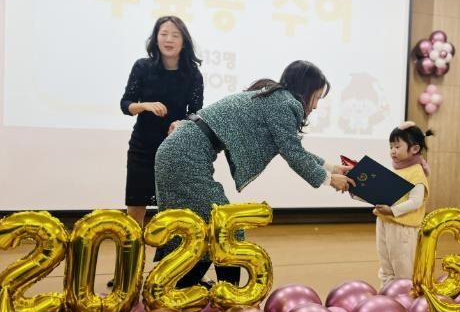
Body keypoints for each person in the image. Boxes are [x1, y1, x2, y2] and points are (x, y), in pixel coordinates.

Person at [154, 60, 355, 287]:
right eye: (316, 97)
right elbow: (292, 152)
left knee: (200, 227)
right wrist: (329, 180)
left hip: (178, 150)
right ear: (305, 89)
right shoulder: (285, 104)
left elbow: (290, 148)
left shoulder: (275, 98)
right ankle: (220, 295)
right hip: (183, 155)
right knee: (223, 228)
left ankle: (188, 287)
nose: (316, 106)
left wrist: (332, 168)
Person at [115, 16, 203, 288]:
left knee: (173, 214)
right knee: (135, 213)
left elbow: (197, 113)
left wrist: (182, 122)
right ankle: (127, 275)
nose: (168, 39)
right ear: (156, 38)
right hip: (142, 148)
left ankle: (172, 275)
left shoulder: (193, 74)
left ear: (184, 41)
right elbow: (126, 104)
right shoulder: (143, 67)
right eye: (163, 33)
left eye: (175, 35)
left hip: (174, 150)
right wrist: (145, 105)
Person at [373, 121, 432, 287]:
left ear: (414, 149)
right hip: (385, 221)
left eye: (397, 146)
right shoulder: (398, 169)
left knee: (402, 267)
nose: (393, 150)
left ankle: (403, 298)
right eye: (391, 146)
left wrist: (392, 210)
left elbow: (416, 201)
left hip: (402, 227)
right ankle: (387, 293)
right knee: (386, 265)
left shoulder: (416, 172)